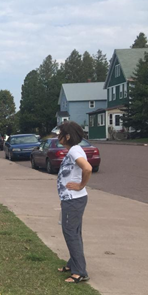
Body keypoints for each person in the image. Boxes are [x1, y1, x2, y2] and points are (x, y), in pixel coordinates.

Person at [55, 121, 92, 284]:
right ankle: (73, 264)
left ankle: (80, 272)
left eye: (60, 133)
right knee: (74, 232)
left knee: (70, 232)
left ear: (67, 136)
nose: (58, 136)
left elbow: (88, 168)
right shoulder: (73, 150)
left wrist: (81, 185)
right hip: (71, 200)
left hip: (74, 199)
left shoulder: (74, 150)